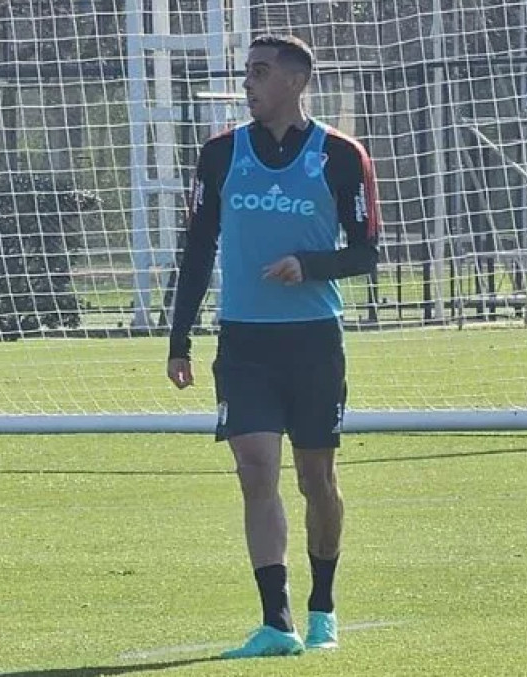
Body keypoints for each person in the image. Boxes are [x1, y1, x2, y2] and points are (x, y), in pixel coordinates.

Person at [166, 34, 381, 659]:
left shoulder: (341, 156)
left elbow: (367, 252)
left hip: (315, 343)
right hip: (244, 342)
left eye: (259, 73)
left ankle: (323, 607)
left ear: (294, 81)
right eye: (247, 73)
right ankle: (276, 621)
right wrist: (179, 339)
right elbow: (198, 249)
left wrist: (307, 266)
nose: (248, 84)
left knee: (317, 479)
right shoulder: (220, 154)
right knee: (255, 472)